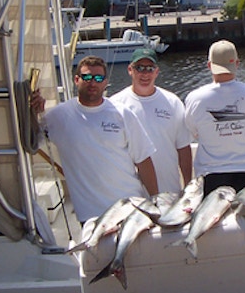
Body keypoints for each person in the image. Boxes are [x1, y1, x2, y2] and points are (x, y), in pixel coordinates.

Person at [30, 55, 158, 225]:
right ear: (77, 80)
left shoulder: (123, 114)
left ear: (105, 83)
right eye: (87, 77)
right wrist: (32, 112)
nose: (92, 83)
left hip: (131, 209)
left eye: (98, 78)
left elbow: (143, 161)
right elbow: (31, 142)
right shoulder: (57, 117)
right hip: (90, 215)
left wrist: (155, 202)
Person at [184, 39, 245, 195]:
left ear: (209, 65)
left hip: (211, 176)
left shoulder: (195, 98)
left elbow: (193, 130)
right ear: (237, 64)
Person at [111, 48, 192, 193]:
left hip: (169, 191)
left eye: (150, 68)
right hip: (131, 195)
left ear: (156, 72)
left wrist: (187, 187)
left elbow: (183, 148)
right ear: (130, 70)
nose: (145, 73)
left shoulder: (172, 102)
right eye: (139, 68)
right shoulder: (115, 104)